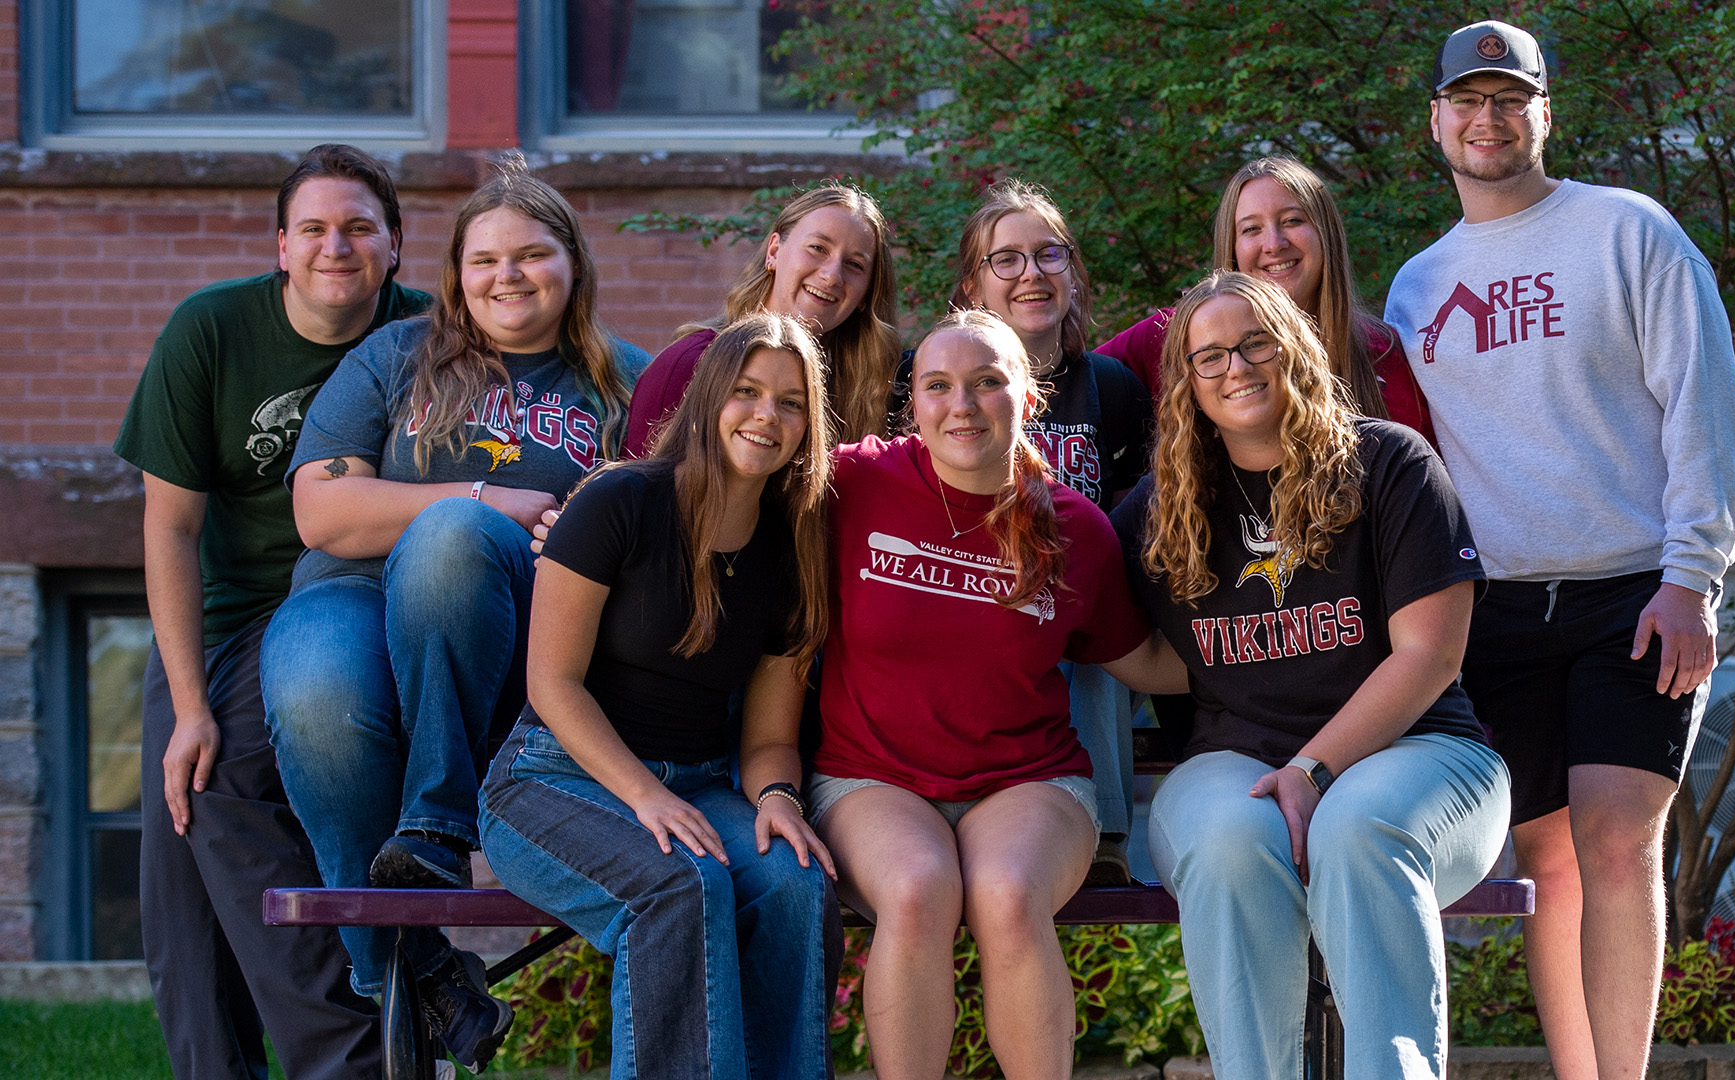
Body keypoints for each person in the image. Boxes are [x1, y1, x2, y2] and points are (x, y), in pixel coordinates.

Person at [1382, 20, 1735, 1080]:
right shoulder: (1416, 286)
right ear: (1437, 120)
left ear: (1544, 113)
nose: (1487, 119)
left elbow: (1704, 408)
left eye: (1510, 99)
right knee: (1547, 860)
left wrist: (1693, 577)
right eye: (1468, 100)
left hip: (1632, 592)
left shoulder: (1628, 232)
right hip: (1493, 607)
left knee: (1618, 840)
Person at [260, 166, 649, 1073]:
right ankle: (418, 965)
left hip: (526, 621)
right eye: (485, 260)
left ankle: (437, 825)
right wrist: (487, 495)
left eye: (531, 254)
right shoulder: (396, 356)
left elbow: (669, 527)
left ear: (573, 263)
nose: (508, 276)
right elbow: (321, 510)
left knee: (451, 539)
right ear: (457, 273)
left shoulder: (626, 382)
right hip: (352, 591)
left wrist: (576, 531)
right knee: (316, 691)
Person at [1112, 271, 1511, 1079]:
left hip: (1424, 757)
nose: (1237, 365)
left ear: (1293, 348)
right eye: (1211, 354)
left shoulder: (1389, 463)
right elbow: (1147, 654)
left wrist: (1310, 770)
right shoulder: (1157, 513)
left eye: (1256, 342)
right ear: (1186, 382)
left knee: (1355, 825)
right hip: (1235, 762)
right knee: (1226, 839)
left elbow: (1430, 655)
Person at [112, 144, 430, 1080]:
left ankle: (349, 1062)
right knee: (178, 886)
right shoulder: (211, 331)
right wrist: (188, 703)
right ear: (281, 247)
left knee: (210, 787)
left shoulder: (431, 336)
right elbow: (169, 530)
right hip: (217, 621)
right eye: (316, 229)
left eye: (360, 228)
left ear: (397, 246)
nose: (338, 247)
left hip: (343, 609)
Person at [811, 310, 1184, 1080]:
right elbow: (724, 477)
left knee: (1008, 896)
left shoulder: (1075, 528)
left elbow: (1141, 657)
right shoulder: (853, 482)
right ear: (911, 403)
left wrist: (1285, 658)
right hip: (871, 777)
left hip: (1029, 779)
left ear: (1029, 398)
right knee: (916, 891)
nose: (962, 405)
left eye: (987, 383)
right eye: (938, 386)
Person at [480, 313, 840, 1080]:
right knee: (679, 882)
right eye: (746, 392)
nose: (765, 416)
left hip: (702, 784)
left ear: (810, 424)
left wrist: (777, 796)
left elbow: (769, 738)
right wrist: (645, 796)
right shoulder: (619, 503)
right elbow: (552, 683)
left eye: (789, 402)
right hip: (552, 780)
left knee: (792, 884)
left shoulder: (793, 551)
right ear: (710, 398)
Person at [946, 179, 1153, 884]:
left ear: (1073, 272)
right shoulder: (934, 380)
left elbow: (1135, 529)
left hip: (1076, 628)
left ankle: (1104, 836)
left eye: (1049, 255)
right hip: (968, 608)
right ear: (973, 284)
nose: (1031, 274)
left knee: (1086, 609)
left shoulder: (1114, 388)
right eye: (1007, 260)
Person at [1095, 156, 1436, 443]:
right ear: (1231, 246)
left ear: (1326, 235)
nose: (1274, 244)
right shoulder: (1174, 336)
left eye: (1292, 221)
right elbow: (1067, 389)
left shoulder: (1386, 354)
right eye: (1251, 229)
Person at [626, 183, 902, 450]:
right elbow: (636, 492)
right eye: (818, 248)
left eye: (854, 264)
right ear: (774, 252)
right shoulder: (690, 365)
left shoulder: (862, 395)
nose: (831, 276)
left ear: (865, 295)